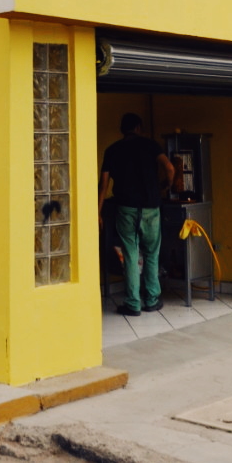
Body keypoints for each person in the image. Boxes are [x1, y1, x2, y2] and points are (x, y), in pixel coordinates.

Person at [100, 113, 175, 316]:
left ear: (122, 129)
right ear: (139, 127)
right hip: (151, 208)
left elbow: (104, 184)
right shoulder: (151, 145)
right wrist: (166, 186)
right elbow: (169, 167)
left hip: (126, 209)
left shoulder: (112, 150)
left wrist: (97, 212)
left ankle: (132, 304)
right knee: (152, 253)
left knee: (131, 255)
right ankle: (151, 300)